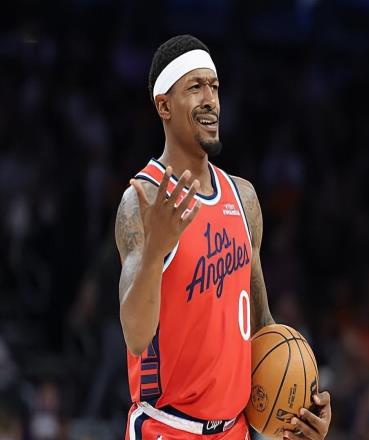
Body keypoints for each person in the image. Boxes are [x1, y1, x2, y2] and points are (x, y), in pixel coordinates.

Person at [115, 34, 331, 440]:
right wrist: (156, 251)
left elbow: (262, 326)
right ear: (164, 106)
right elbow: (136, 334)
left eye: (214, 87)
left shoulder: (243, 198)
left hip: (235, 430)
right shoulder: (142, 200)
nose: (210, 100)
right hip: (167, 428)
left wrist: (299, 411)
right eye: (195, 87)